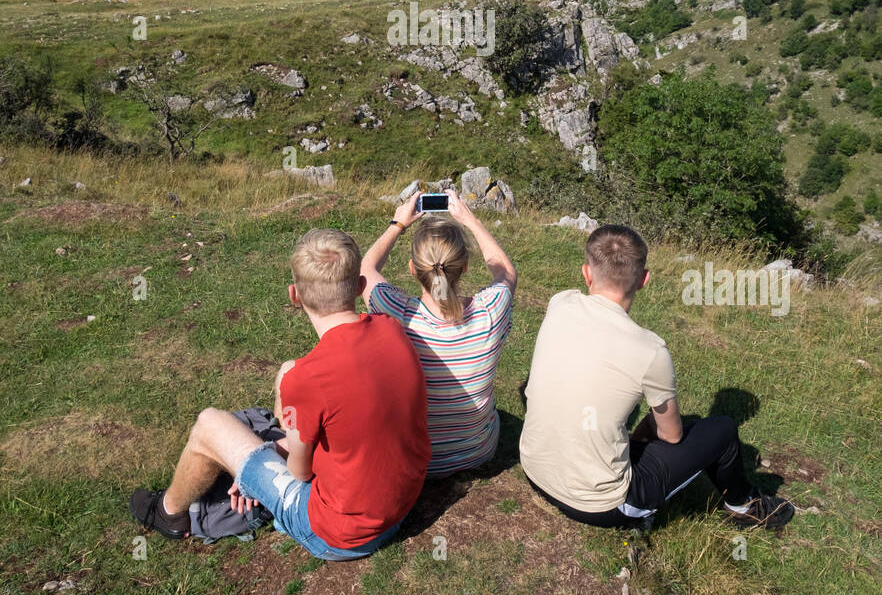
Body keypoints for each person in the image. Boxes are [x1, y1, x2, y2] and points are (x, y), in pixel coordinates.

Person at [130, 228, 431, 559]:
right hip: (400, 507)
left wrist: (267, 459)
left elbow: (301, 473)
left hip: (338, 534)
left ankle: (168, 512)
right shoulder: (391, 328)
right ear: (359, 288)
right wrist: (278, 446)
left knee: (209, 424)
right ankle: (269, 453)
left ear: (294, 295)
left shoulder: (308, 379)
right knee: (289, 368)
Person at [519, 224, 794, 530]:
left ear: (587, 273)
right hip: (600, 506)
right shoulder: (650, 350)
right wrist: (648, 426)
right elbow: (672, 435)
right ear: (644, 280)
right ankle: (744, 507)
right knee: (723, 430)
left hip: (536, 470)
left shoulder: (561, 302)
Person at [360, 189, 516, 478]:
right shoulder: (491, 311)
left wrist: (398, 224)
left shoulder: (397, 312)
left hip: (419, 459)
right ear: (465, 267)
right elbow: (506, 272)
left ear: (412, 269)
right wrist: (470, 220)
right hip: (478, 452)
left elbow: (366, 270)